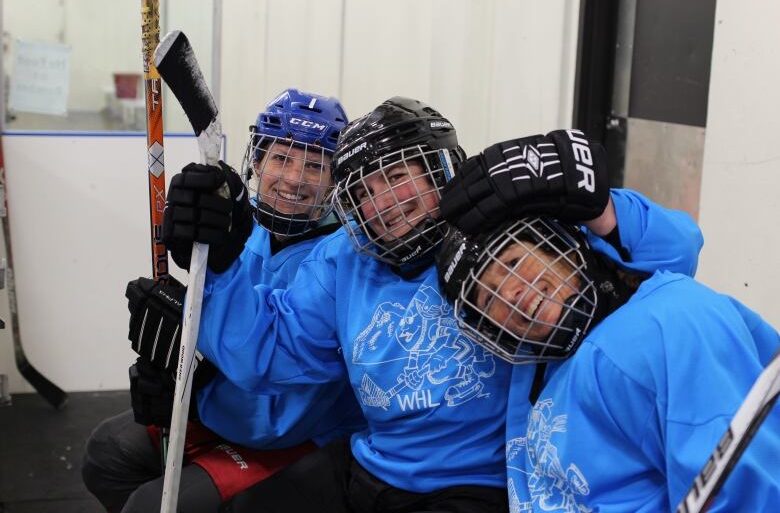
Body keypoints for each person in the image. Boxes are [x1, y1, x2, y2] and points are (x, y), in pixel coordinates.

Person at [154, 94, 704, 512]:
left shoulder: (507, 234)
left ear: (440, 170)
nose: (383, 203)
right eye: (365, 192)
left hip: (476, 483)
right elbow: (268, 352)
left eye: (397, 177)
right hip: (370, 462)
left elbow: (679, 252)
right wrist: (222, 264)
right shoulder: (344, 259)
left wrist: (601, 209)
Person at [81, 89, 365, 513]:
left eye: (314, 166)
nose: (294, 179)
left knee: (153, 507)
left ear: (335, 180)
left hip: (292, 429)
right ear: (256, 162)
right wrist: (179, 368)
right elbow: (218, 320)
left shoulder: (345, 255)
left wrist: (197, 395)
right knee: (106, 453)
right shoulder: (237, 222)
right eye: (282, 158)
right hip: (226, 404)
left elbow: (279, 399)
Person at [437, 185, 780, 509]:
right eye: (486, 297)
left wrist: (601, 206)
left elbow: (743, 490)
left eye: (512, 263)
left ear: (558, 246)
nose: (508, 293)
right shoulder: (534, 370)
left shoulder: (668, 320)